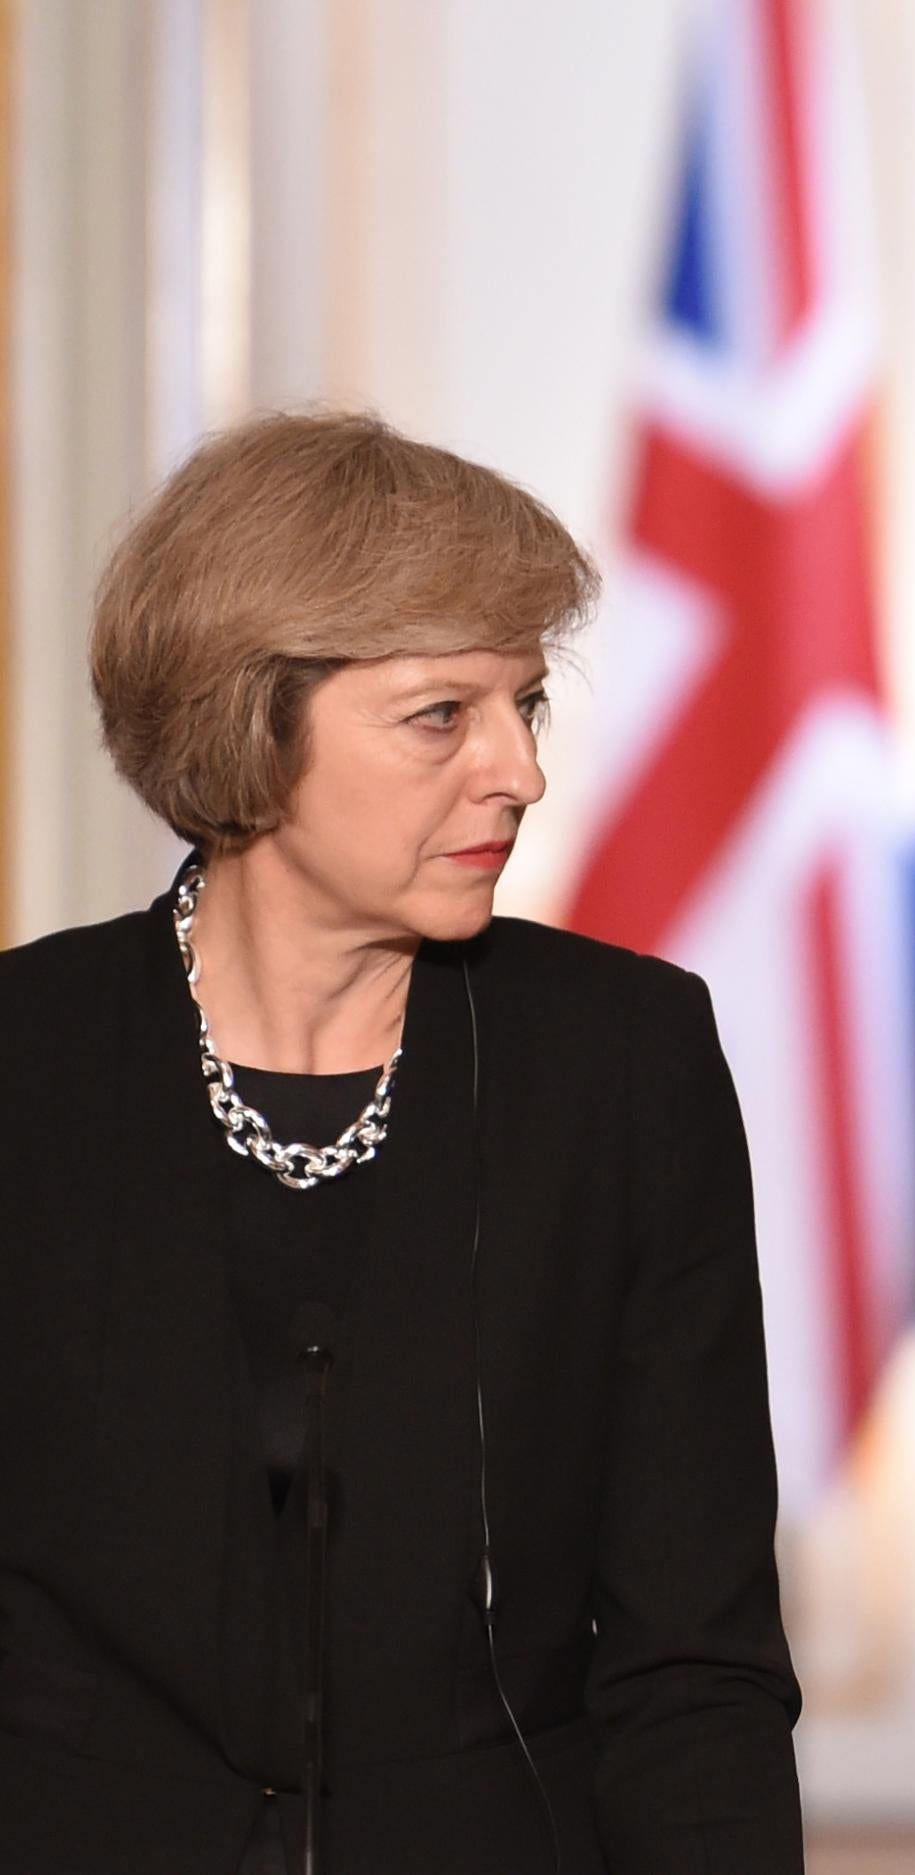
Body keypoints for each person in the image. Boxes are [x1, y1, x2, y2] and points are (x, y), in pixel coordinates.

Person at [0, 411, 804, 1873]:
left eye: (527, 707)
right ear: (251, 715)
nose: (519, 772)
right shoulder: (25, 1061)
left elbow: (696, 1668)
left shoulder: (624, 1061)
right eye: (443, 715)